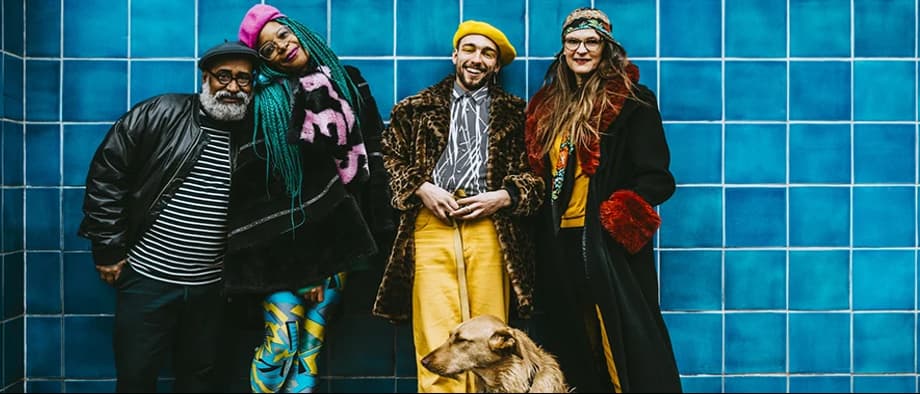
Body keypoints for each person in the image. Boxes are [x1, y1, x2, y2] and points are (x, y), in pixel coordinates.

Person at [372, 20, 544, 393]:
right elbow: (386, 159)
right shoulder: (414, 109)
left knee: (491, 341)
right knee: (437, 339)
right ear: (455, 55)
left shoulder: (519, 114)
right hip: (429, 224)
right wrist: (421, 188)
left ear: (497, 66)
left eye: (487, 54)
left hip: (490, 228)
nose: (477, 59)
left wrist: (504, 196)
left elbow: (539, 177)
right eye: (469, 50)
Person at [229, 4, 394, 393]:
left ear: (298, 31)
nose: (281, 48)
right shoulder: (267, 102)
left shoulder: (346, 80)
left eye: (283, 36)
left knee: (309, 349)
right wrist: (308, 266)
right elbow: (269, 190)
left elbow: (373, 148)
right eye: (267, 50)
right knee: (281, 341)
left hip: (343, 231)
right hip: (281, 246)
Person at [78, 41, 260, 392]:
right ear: (205, 78)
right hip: (147, 281)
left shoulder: (253, 134)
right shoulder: (160, 112)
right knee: (136, 378)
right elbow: (108, 173)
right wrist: (108, 249)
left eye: (244, 79)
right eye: (224, 76)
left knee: (199, 380)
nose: (233, 87)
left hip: (211, 288)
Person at [524, 7, 682, 393]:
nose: (581, 49)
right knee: (572, 342)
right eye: (573, 42)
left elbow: (657, 178)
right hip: (558, 243)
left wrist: (616, 220)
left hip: (606, 246)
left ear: (606, 49)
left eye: (591, 42)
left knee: (626, 343)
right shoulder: (547, 107)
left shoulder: (632, 102)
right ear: (562, 49)